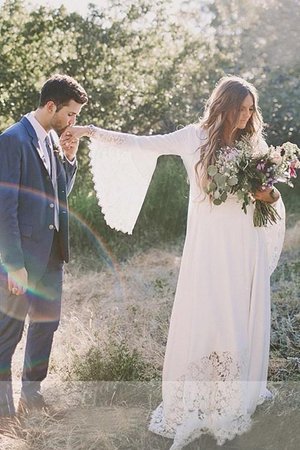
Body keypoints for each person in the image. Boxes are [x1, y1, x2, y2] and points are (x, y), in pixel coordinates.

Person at [60, 75, 285, 449]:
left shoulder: (252, 141)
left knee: (238, 312)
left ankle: (235, 394)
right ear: (223, 106)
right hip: (211, 245)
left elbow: (271, 194)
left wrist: (268, 193)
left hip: (245, 242)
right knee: (211, 312)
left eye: (250, 110)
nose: (246, 117)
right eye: (241, 109)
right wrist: (88, 131)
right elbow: (140, 144)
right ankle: (202, 396)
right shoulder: (192, 137)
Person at [0, 74, 88, 435]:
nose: (73, 122)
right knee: (9, 334)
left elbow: (57, 195)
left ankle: (31, 396)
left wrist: (68, 160)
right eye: (70, 114)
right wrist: (14, 265)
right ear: (51, 106)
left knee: (46, 327)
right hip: (21, 259)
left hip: (52, 255)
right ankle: (4, 414)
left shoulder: (52, 140)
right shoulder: (12, 140)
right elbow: (4, 208)